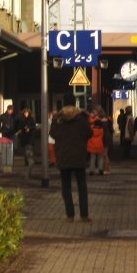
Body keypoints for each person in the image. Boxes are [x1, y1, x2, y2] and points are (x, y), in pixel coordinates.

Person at [49, 93, 93, 222]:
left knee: (66, 186)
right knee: (82, 186)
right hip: (79, 155)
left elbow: (52, 134)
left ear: (64, 103)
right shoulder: (82, 117)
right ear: (75, 103)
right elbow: (89, 133)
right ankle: (84, 215)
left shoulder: (58, 118)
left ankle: (70, 215)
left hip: (63, 155)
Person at [87, 107, 107, 175]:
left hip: (92, 145)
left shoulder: (91, 130)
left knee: (92, 158)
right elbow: (103, 136)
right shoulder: (101, 130)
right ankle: (100, 169)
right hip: (99, 144)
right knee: (100, 158)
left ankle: (91, 170)